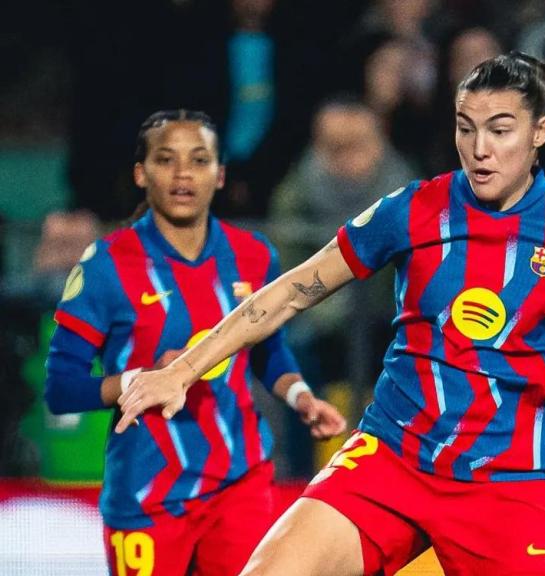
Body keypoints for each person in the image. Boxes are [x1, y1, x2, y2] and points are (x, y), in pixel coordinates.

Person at [114, 53, 545, 576]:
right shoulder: (412, 210)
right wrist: (181, 368)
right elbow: (291, 290)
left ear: (538, 132)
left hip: (509, 482)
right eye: (466, 128)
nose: (480, 148)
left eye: (500, 130)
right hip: (394, 456)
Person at [44, 110, 345, 576]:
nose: (183, 173)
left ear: (220, 174)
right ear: (141, 174)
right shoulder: (106, 265)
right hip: (147, 492)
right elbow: (61, 388)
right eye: (166, 160)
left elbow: (268, 351)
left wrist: (300, 397)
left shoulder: (253, 255)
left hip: (239, 484)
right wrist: (140, 380)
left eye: (199, 160)